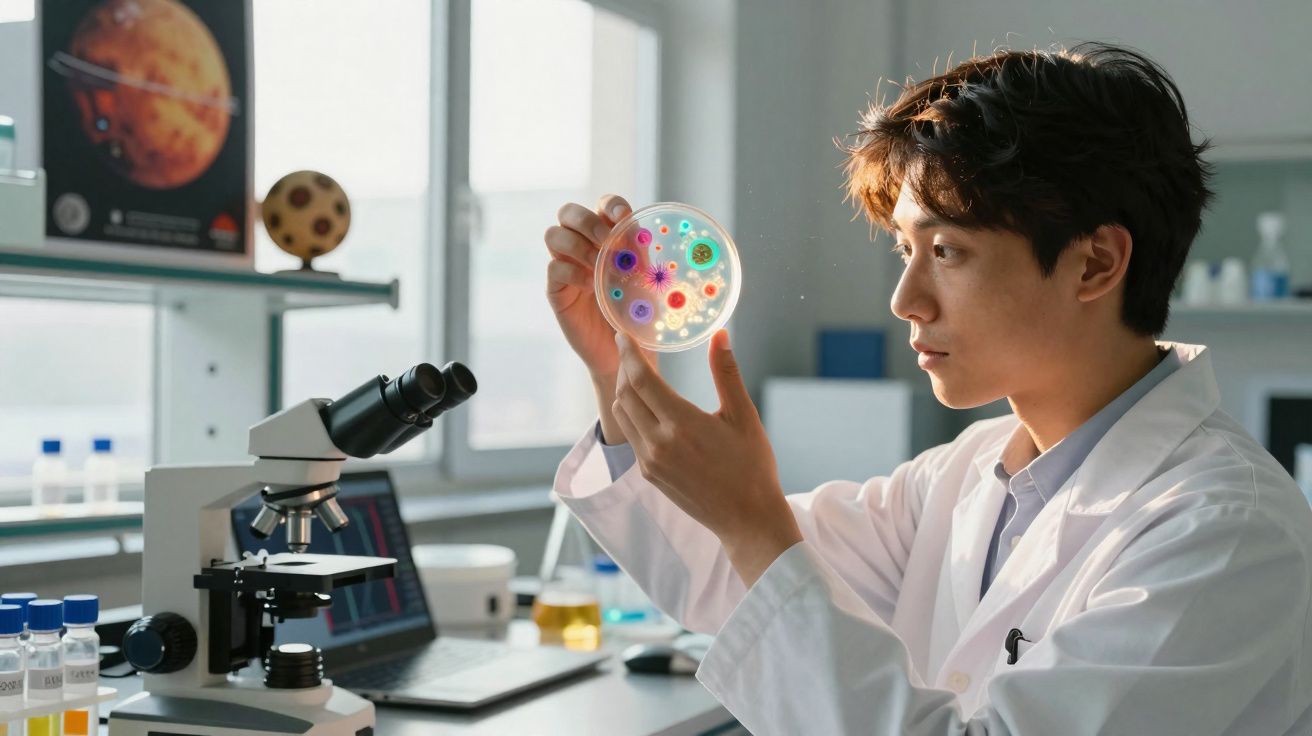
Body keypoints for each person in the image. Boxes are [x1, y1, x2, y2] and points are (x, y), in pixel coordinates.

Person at [540, 42, 1312, 735]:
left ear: (1096, 264)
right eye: (905, 248)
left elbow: (758, 551)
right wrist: (615, 371)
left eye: (945, 250)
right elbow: (720, 572)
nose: (905, 300)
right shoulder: (969, 473)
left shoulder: (1227, 529)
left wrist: (753, 522)